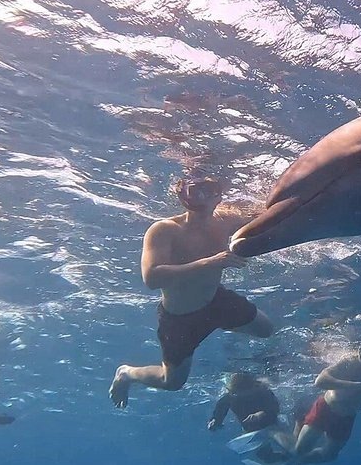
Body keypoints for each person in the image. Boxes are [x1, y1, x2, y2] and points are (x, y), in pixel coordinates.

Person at [109, 175, 277, 408]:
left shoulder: (226, 220)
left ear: (219, 195)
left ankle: (218, 324)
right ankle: (126, 374)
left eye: (207, 189)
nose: (199, 196)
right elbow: (152, 277)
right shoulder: (164, 229)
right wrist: (210, 262)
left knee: (266, 330)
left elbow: (269, 212)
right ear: (180, 194)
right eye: (193, 190)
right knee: (172, 382)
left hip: (216, 302)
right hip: (180, 317)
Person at [208, 372, 279, 434]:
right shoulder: (232, 395)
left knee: (278, 436)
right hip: (249, 427)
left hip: (270, 423)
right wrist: (215, 420)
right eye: (234, 393)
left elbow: (275, 408)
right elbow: (221, 407)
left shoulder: (262, 391)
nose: (237, 395)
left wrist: (261, 414)